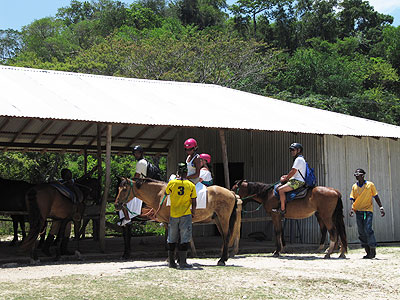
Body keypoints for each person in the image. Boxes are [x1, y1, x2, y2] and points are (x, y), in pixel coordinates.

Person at [165, 162, 197, 269]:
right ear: (186, 172)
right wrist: (193, 212)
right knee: (184, 238)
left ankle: (171, 262)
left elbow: (166, 193)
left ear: (178, 172)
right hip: (186, 214)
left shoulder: (172, 183)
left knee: (172, 238)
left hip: (174, 214)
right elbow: (194, 200)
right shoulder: (191, 185)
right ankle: (183, 262)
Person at [349, 168, 385, 259]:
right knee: (361, 232)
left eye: (358, 174)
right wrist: (352, 209)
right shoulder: (354, 186)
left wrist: (381, 207)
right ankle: (367, 251)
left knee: (368, 229)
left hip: (368, 211)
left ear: (363, 175)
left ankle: (372, 249)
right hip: (358, 211)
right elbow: (352, 199)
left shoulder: (370, 185)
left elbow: (376, 196)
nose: (356, 176)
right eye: (355, 174)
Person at [272, 142, 306, 216]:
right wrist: (287, 176)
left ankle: (282, 209)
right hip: (296, 179)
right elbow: (295, 172)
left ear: (299, 150)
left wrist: (285, 179)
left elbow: (293, 171)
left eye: (293, 150)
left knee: (281, 190)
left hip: (298, 181)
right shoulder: (300, 159)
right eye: (291, 150)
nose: (292, 152)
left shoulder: (298, 159)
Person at [118, 145, 148, 226]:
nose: (136, 155)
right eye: (135, 153)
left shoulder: (140, 163)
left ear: (141, 153)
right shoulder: (146, 161)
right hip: (146, 184)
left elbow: (136, 177)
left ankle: (127, 218)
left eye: (137, 153)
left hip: (141, 185)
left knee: (124, 199)